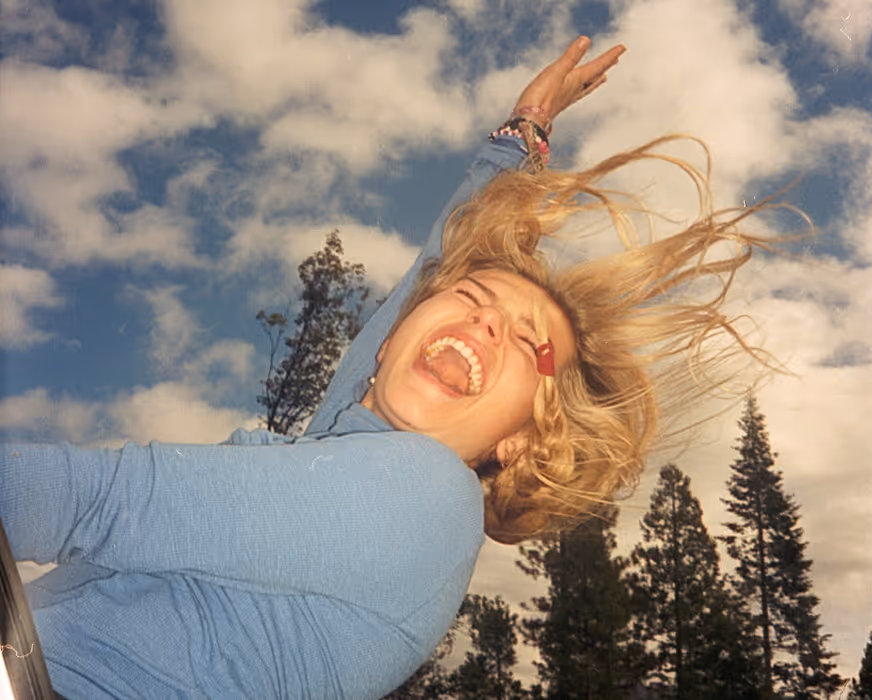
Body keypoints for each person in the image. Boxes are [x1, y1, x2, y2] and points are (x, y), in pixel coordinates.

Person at [1, 36, 782, 699]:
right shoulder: (348, 449)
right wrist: (525, 132)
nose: (482, 318)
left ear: (520, 439)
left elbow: (105, 504)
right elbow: (434, 270)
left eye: (524, 340)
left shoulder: (429, 498)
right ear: (385, 345)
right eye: (474, 298)